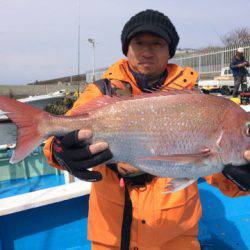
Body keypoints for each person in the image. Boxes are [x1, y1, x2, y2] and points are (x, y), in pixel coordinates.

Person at [44, 10, 250, 250]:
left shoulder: (197, 101)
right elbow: (58, 138)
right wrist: (61, 151)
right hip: (110, 237)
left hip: (175, 239)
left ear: (169, 51)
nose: (147, 51)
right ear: (126, 48)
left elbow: (211, 170)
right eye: (138, 43)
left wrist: (242, 176)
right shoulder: (101, 92)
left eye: (157, 44)